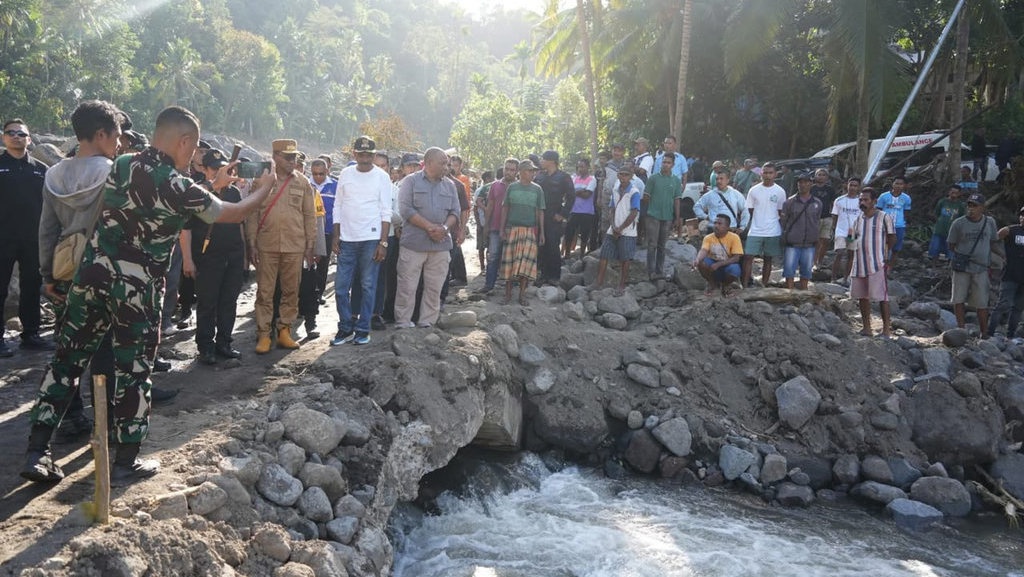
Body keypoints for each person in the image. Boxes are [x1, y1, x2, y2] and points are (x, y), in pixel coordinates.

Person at [21, 105, 276, 484]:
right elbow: (233, 213)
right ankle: (126, 460)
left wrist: (208, 186)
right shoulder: (177, 186)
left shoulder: (122, 164)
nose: (193, 156)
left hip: (91, 280)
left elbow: (163, 198)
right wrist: (264, 189)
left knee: (66, 362)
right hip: (136, 292)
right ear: (185, 141)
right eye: (192, 149)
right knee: (134, 373)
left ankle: (37, 451)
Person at [38, 100, 122, 441]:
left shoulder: (54, 174)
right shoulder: (115, 173)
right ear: (101, 134)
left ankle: (68, 417)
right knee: (106, 351)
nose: (119, 142)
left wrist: (47, 275)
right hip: (105, 273)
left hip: (66, 271)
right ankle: (107, 422)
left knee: (68, 349)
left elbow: (46, 229)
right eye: (116, 135)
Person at [247, 139, 316, 354]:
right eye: (287, 157)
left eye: (294, 157)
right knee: (265, 292)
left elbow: (309, 214)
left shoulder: (303, 182)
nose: (291, 161)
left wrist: (310, 244)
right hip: (266, 245)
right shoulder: (262, 181)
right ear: (275, 156)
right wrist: (252, 242)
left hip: (294, 245)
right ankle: (264, 334)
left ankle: (285, 331)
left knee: (291, 291)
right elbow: (252, 213)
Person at [181, 148, 246, 365]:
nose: (220, 172)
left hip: (233, 254)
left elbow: (240, 224)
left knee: (229, 301)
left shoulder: (234, 193)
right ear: (205, 169)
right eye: (215, 168)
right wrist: (188, 259)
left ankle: (224, 343)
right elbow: (186, 229)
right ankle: (205, 346)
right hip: (208, 257)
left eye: (223, 168)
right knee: (207, 303)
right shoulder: (198, 192)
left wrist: (244, 255)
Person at [330, 136, 392, 346]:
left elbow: (386, 211)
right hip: (346, 239)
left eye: (369, 155)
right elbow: (337, 205)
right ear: (354, 154)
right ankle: (345, 327)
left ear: (374, 156)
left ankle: (363, 329)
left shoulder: (382, 177)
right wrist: (336, 235)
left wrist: (383, 242)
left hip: (371, 239)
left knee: (367, 286)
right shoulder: (346, 174)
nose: (365, 158)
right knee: (340, 288)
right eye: (361, 154)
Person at [0, 118, 53, 355]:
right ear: (4, 138)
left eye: (21, 134)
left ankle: (31, 334)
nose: (16, 136)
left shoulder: (41, 170)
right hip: (3, 238)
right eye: (10, 133)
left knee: (31, 285)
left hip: (33, 238)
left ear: (29, 140)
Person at [394, 147, 461, 328]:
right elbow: (406, 210)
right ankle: (403, 322)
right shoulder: (410, 182)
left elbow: (456, 211)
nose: (446, 167)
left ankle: (427, 322)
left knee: (434, 288)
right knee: (407, 287)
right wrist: (430, 227)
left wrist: (445, 228)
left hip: (440, 245)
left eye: (447, 163)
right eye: (443, 163)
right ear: (429, 163)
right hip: (414, 244)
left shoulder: (450, 185)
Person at [947, 193, 1000, 336]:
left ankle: (984, 333)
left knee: (982, 302)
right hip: (962, 267)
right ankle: (961, 330)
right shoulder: (958, 223)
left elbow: (993, 242)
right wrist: (963, 256)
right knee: (958, 299)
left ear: (982, 207)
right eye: (969, 205)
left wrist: (1001, 257)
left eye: (975, 206)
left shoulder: (990, 222)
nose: (971, 209)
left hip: (981, 268)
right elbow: (951, 244)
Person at [849, 187, 895, 337]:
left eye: (866, 200)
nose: (862, 202)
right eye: (861, 200)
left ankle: (886, 329)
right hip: (860, 263)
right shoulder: (857, 219)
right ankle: (866, 327)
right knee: (862, 296)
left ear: (874, 201)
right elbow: (851, 240)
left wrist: (887, 257)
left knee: (882, 297)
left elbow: (892, 238)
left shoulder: (883, 217)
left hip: (877, 263)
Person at [591, 162, 642, 295]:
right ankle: (598, 282)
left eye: (626, 175)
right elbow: (612, 208)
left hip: (628, 230)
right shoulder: (616, 188)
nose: (623, 177)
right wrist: (613, 226)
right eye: (621, 174)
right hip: (613, 228)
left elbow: (634, 212)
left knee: (625, 258)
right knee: (604, 254)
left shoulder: (634, 192)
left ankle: (621, 285)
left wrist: (621, 228)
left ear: (630, 176)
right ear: (618, 175)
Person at [499, 159, 545, 306]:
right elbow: (505, 208)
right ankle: (507, 294)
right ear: (522, 172)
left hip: (529, 230)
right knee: (509, 263)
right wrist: (502, 228)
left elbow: (540, 211)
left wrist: (541, 232)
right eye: (530, 171)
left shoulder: (537, 189)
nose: (533, 173)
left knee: (526, 264)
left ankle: (522, 295)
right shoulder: (512, 188)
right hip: (512, 229)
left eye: (533, 171)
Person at [742, 162, 786, 287]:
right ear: (761, 173)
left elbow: (781, 211)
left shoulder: (780, 191)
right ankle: (744, 285)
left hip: (773, 230)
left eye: (770, 173)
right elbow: (749, 209)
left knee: (768, 258)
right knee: (748, 257)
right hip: (755, 230)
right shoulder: (754, 190)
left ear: (775, 174)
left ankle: (764, 285)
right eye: (765, 172)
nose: (767, 175)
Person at [479, 158, 518, 294]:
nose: (508, 172)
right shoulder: (495, 185)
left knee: (512, 257)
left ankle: (510, 287)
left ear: (516, 171)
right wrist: (486, 225)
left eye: (512, 170)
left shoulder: (520, 187)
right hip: (495, 227)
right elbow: (490, 206)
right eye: (506, 169)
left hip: (513, 228)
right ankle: (489, 284)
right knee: (493, 255)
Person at [535, 150, 573, 285]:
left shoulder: (564, 177)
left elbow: (571, 197)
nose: (541, 161)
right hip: (539, 214)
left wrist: (562, 214)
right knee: (540, 245)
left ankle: (554, 276)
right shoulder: (539, 176)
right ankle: (542, 274)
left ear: (552, 161)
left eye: (543, 159)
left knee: (552, 245)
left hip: (554, 215)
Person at [642, 154, 682, 280]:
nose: (665, 164)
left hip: (667, 216)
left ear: (673, 165)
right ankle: (651, 272)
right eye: (664, 162)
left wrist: (677, 217)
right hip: (653, 215)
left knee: (662, 246)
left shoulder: (676, 180)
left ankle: (660, 271)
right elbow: (646, 197)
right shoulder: (653, 178)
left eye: (668, 162)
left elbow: (677, 200)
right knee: (652, 244)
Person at [780, 173, 823, 290]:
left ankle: (804, 293)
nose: (803, 185)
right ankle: (790, 293)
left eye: (806, 182)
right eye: (800, 182)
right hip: (792, 243)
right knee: (789, 271)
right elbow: (783, 222)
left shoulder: (817, 203)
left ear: (811, 184)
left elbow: (817, 221)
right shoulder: (789, 202)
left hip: (810, 243)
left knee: (806, 271)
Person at [988, 206, 1024, 338]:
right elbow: (992, 241)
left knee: (1018, 309)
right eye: (1022, 215)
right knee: (1003, 305)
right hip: (1010, 274)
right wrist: (1002, 255)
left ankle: (1011, 336)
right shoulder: (1010, 230)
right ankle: (989, 333)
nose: (1023, 217)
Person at [692, 213, 744, 297]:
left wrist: (719, 264)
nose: (716, 226)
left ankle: (726, 285)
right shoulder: (708, 237)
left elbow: (736, 258)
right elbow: (704, 250)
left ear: (727, 227)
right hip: (713, 266)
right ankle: (713, 285)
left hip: (727, 265)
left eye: (719, 224)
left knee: (735, 270)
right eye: (715, 223)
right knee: (701, 263)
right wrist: (697, 259)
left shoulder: (734, 237)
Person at [563, 158, 597, 260]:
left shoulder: (592, 179)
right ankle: (567, 254)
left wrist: (575, 192)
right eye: (578, 167)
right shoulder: (574, 178)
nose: (580, 169)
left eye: (582, 166)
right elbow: (568, 194)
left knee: (585, 234)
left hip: (587, 212)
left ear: (588, 167)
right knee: (569, 232)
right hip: (574, 210)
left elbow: (587, 194)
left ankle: (582, 255)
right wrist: (580, 191)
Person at [830, 177, 862, 283]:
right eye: (851, 185)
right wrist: (833, 229)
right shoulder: (839, 200)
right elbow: (834, 215)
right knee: (839, 253)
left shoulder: (861, 201)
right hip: (841, 230)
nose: (852, 187)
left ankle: (845, 279)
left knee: (851, 254)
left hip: (853, 231)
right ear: (847, 185)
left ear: (859, 187)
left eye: (855, 186)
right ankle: (833, 278)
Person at [876, 176, 911, 267]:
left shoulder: (906, 198)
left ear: (904, 186)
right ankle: (880, 265)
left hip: (899, 226)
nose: (898, 186)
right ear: (892, 184)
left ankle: (889, 268)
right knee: (884, 246)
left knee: (896, 249)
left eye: (901, 184)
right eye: (896, 183)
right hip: (884, 225)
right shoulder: (884, 196)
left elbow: (906, 212)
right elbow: (878, 210)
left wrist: (904, 223)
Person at [928, 184, 966, 261]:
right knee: (935, 249)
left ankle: (949, 268)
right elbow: (936, 213)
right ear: (949, 192)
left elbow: (962, 218)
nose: (953, 194)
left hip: (952, 232)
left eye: (956, 193)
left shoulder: (960, 205)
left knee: (951, 251)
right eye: (952, 192)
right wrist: (939, 222)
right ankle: (933, 266)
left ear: (959, 194)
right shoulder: (942, 202)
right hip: (939, 230)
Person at [810, 168, 837, 269]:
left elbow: (833, 204)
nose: (821, 177)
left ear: (827, 177)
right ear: (815, 176)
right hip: (814, 218)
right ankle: (813, 261)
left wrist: (834, 219)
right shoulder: (811, 188)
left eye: (823, 175)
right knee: (815, 241)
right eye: (819, 174)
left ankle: (819, 261)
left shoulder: (830, 189)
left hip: (827, 217)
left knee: (825, 240)